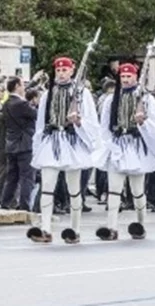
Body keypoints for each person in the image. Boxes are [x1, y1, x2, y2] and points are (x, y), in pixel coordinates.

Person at [26, 57, 102, 244]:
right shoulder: (47, 94)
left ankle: (75, 229)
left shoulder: (82, 94)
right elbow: (41, 122)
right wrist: (38, 145)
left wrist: (79, 122)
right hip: (51, 141)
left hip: (72, 142)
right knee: (47, 187)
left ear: (72, 71)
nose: (61, 74)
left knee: (74, 189)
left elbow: (92, 122)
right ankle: (45, 228)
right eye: (58, 71)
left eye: (64, 70)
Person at [94, 63, 155, 240]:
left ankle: (140, 224)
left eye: (129, 76)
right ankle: (111, 227)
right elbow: (105, 124)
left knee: (137, 190)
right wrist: (107, 144)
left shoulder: (145, 98)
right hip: (118, 144)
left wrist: (143, 122)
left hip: (136, 145)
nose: (126, 79)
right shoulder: (111, 99)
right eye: (123, 77)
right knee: (114, 189)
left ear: (136, 77)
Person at [0, 77, 38, 211]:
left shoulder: (6, 103)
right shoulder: (21, 104)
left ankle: (5, 202)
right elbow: (35, 115)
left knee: (12, 177)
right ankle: (24, 205)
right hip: (24, 144)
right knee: (27, 177)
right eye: (22, 85)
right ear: (17, 86)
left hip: (11, 144)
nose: (24, 88)